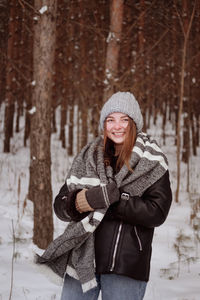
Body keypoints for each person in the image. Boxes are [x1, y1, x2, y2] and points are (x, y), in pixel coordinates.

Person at [38, 92, 172, 300]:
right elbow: (60, 206)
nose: (117, 126)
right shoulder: (88, 157)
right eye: (111, 120)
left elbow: (157, 212)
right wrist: (82, 201)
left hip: (125, 264)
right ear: (104, 124)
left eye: (124, 120)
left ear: (134, 123)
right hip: (82, 259)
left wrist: (117, 202)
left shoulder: (152, 161)